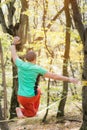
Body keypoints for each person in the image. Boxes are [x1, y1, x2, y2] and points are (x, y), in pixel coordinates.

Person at [10, 36, 78, 118]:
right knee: (32, 113)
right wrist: (69, 79)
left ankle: (26, 110)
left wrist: (13, 43)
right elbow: (54, 76)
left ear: (26, 59)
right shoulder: (37, 68)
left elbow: (14, 55)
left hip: (20, 97)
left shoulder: (20, 64)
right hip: (30, 97)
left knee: (38, 90)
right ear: (35, 59)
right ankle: (21, 110)